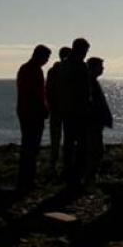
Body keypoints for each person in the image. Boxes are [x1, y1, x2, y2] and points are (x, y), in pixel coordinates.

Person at [15, 44, 51, 191]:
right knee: (31, 146)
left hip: (25, 111)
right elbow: (35, 94)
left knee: (28, 145)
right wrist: (43, 108)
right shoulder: (34, 70)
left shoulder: (25, 69)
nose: (47, 60)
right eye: (46, 57)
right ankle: (27, 180)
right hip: (32, 113)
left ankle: (26, 178)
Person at [60, 38, 92, 185]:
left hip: (70, 109)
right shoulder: (77, 66)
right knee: (80, 144)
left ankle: (70, 172)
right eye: (85, 50)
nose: (86, 54)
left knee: (70, 143)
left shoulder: (66, 65)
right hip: (77, 109)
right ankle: (76, 174)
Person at [85, 56, 114, 184]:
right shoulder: (90, 82)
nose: (102, 69)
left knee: (96, 149)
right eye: (100, 67)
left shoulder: (91, 82)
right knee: (95, 149)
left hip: (95, 121)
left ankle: (90, 175)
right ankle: (90, 176)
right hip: (93, 121)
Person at [45, 46, 70, 178]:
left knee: (56, 140)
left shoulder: (52, 71)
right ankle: (62, 167)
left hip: (57, 110)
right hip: (64, 110)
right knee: (66, 140)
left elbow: (48, 91)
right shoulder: (67, 71)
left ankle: (53, 167)